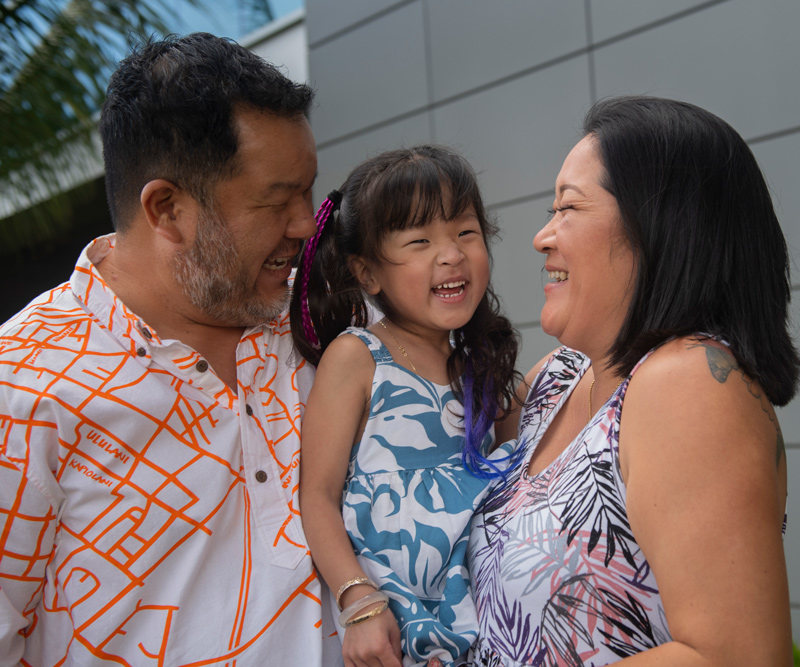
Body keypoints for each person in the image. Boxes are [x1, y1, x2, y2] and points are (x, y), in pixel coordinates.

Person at [0, 33, 343, 666]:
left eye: (309, 190)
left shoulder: (331, 315)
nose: (306, 222)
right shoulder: (20, 388)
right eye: (276, 201)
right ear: (167, 209)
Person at [467, 96, 798, 666]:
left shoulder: (689, 381)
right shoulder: (557, 379)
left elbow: (734, 655)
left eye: (569, 207)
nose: (542, 237)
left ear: (659, 225)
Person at [290, 146, 522, 667]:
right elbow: (318, 495)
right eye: (420, 241)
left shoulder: (485, 367)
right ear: (367, 273)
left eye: (465, 232)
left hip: (489, 627)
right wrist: (359, 602)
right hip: (394, 631)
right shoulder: (358, 356)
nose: (451, 254)